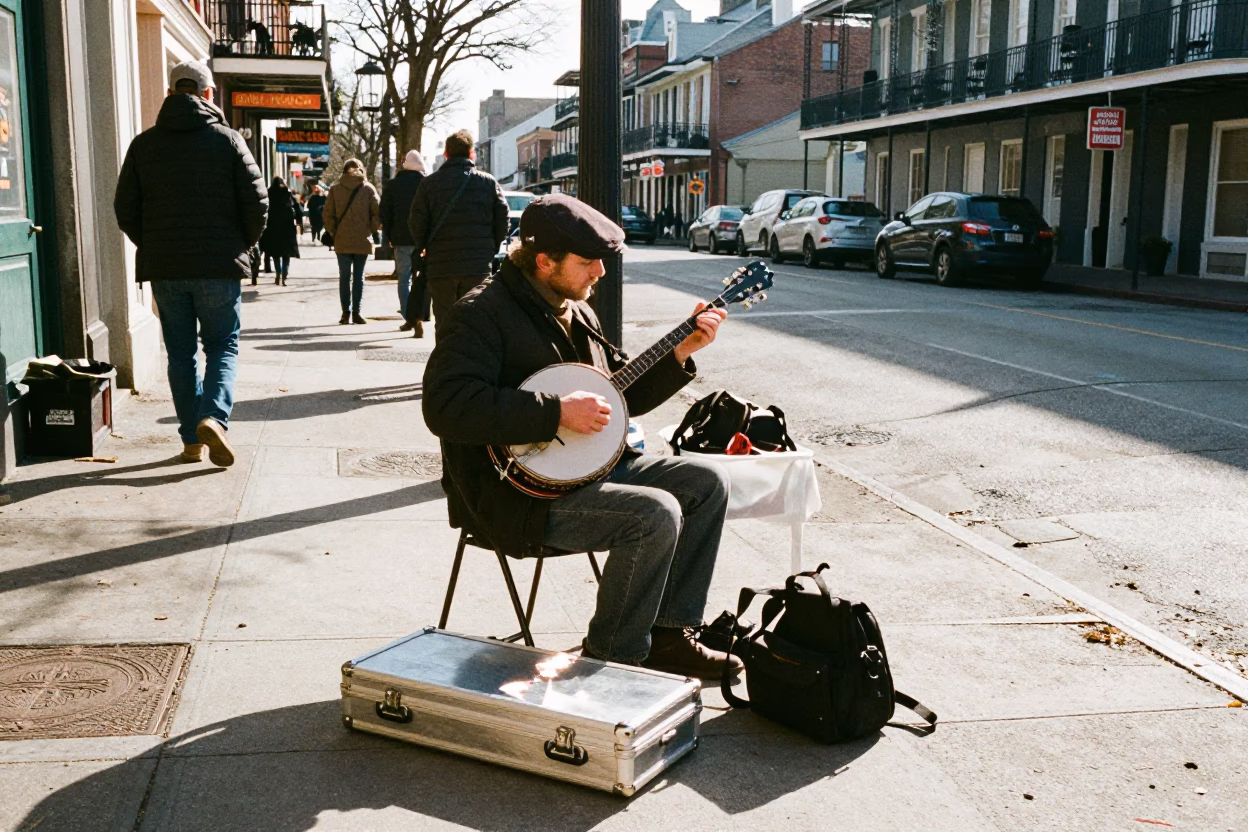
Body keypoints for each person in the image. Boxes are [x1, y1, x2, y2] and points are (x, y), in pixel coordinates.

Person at [422, 194, 741, 680]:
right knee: (654, 514)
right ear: (544, 260)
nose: (600, 273)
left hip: (590, 468)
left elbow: (615, 397)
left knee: (707, 481)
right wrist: (554, 413)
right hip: (513, 497)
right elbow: (446, 407)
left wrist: (682, 352)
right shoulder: (480, 313)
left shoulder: (577, 308)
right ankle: (613, 657)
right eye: (588, 262)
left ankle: (670, 636)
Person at [114, 60, 266, 467]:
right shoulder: (229, 140)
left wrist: (154, 243)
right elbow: (257, 203)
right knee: (222, 345)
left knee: (181, 355)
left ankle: (190, 442)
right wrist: (242, 246)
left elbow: (124, 209)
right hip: (219, 265)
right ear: (208, 95)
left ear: (169, 94)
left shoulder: (143, 145)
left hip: (166, 269)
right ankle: (214, 416)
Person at [407, 129, 508, 336]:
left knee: (444, 321)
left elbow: (416, 221)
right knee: (475, 320)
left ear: (446, 153)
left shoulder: (429, 184)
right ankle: (472, 364)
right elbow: (502, 219)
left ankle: (446, 364)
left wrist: (425, 246)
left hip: (441, 265)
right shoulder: (488, 183)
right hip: (477, 265)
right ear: (472, 154)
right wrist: (491, 248)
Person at [322, 159, 380, 324]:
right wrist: (371, 229)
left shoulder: (335, 189)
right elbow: (377, 212)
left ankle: (345, 313)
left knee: (344, 276)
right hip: (362, 239)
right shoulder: (368, 189)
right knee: (359, 277)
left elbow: (327, 214)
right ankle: (357, 312)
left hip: (342, 239)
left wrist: (334, 231)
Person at [380, 149, 427, 336]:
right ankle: (420, 315)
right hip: (421, 239)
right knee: (422, 279)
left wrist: (389, 237)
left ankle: (409, 317)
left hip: (400, 238)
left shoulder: (393, 185)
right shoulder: (426, 183)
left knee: (404, 278)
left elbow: (385, 212)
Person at [259, 176, 300, 286]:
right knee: (286, 252)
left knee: (276, 253)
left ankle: (278, 272)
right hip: (287, 225)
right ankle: (284, 274)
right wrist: (299, 220)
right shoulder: (287, 192)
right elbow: (296, 207)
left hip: (272, 226)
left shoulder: (268, 192)